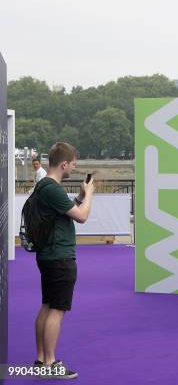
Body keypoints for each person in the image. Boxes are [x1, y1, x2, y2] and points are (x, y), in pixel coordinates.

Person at [33, 142, 94, 379]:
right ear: (64, 163)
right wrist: (89, 195)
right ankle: (50, 362)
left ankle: (41, 360)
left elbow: (68, 210)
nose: (74, 168)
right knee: (57, 310)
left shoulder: (44, 186)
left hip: (49, 255)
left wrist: (79, 196)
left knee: (47, 306)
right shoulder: (53, 189)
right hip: (59, 257)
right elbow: (81, 217)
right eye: (74, 164)